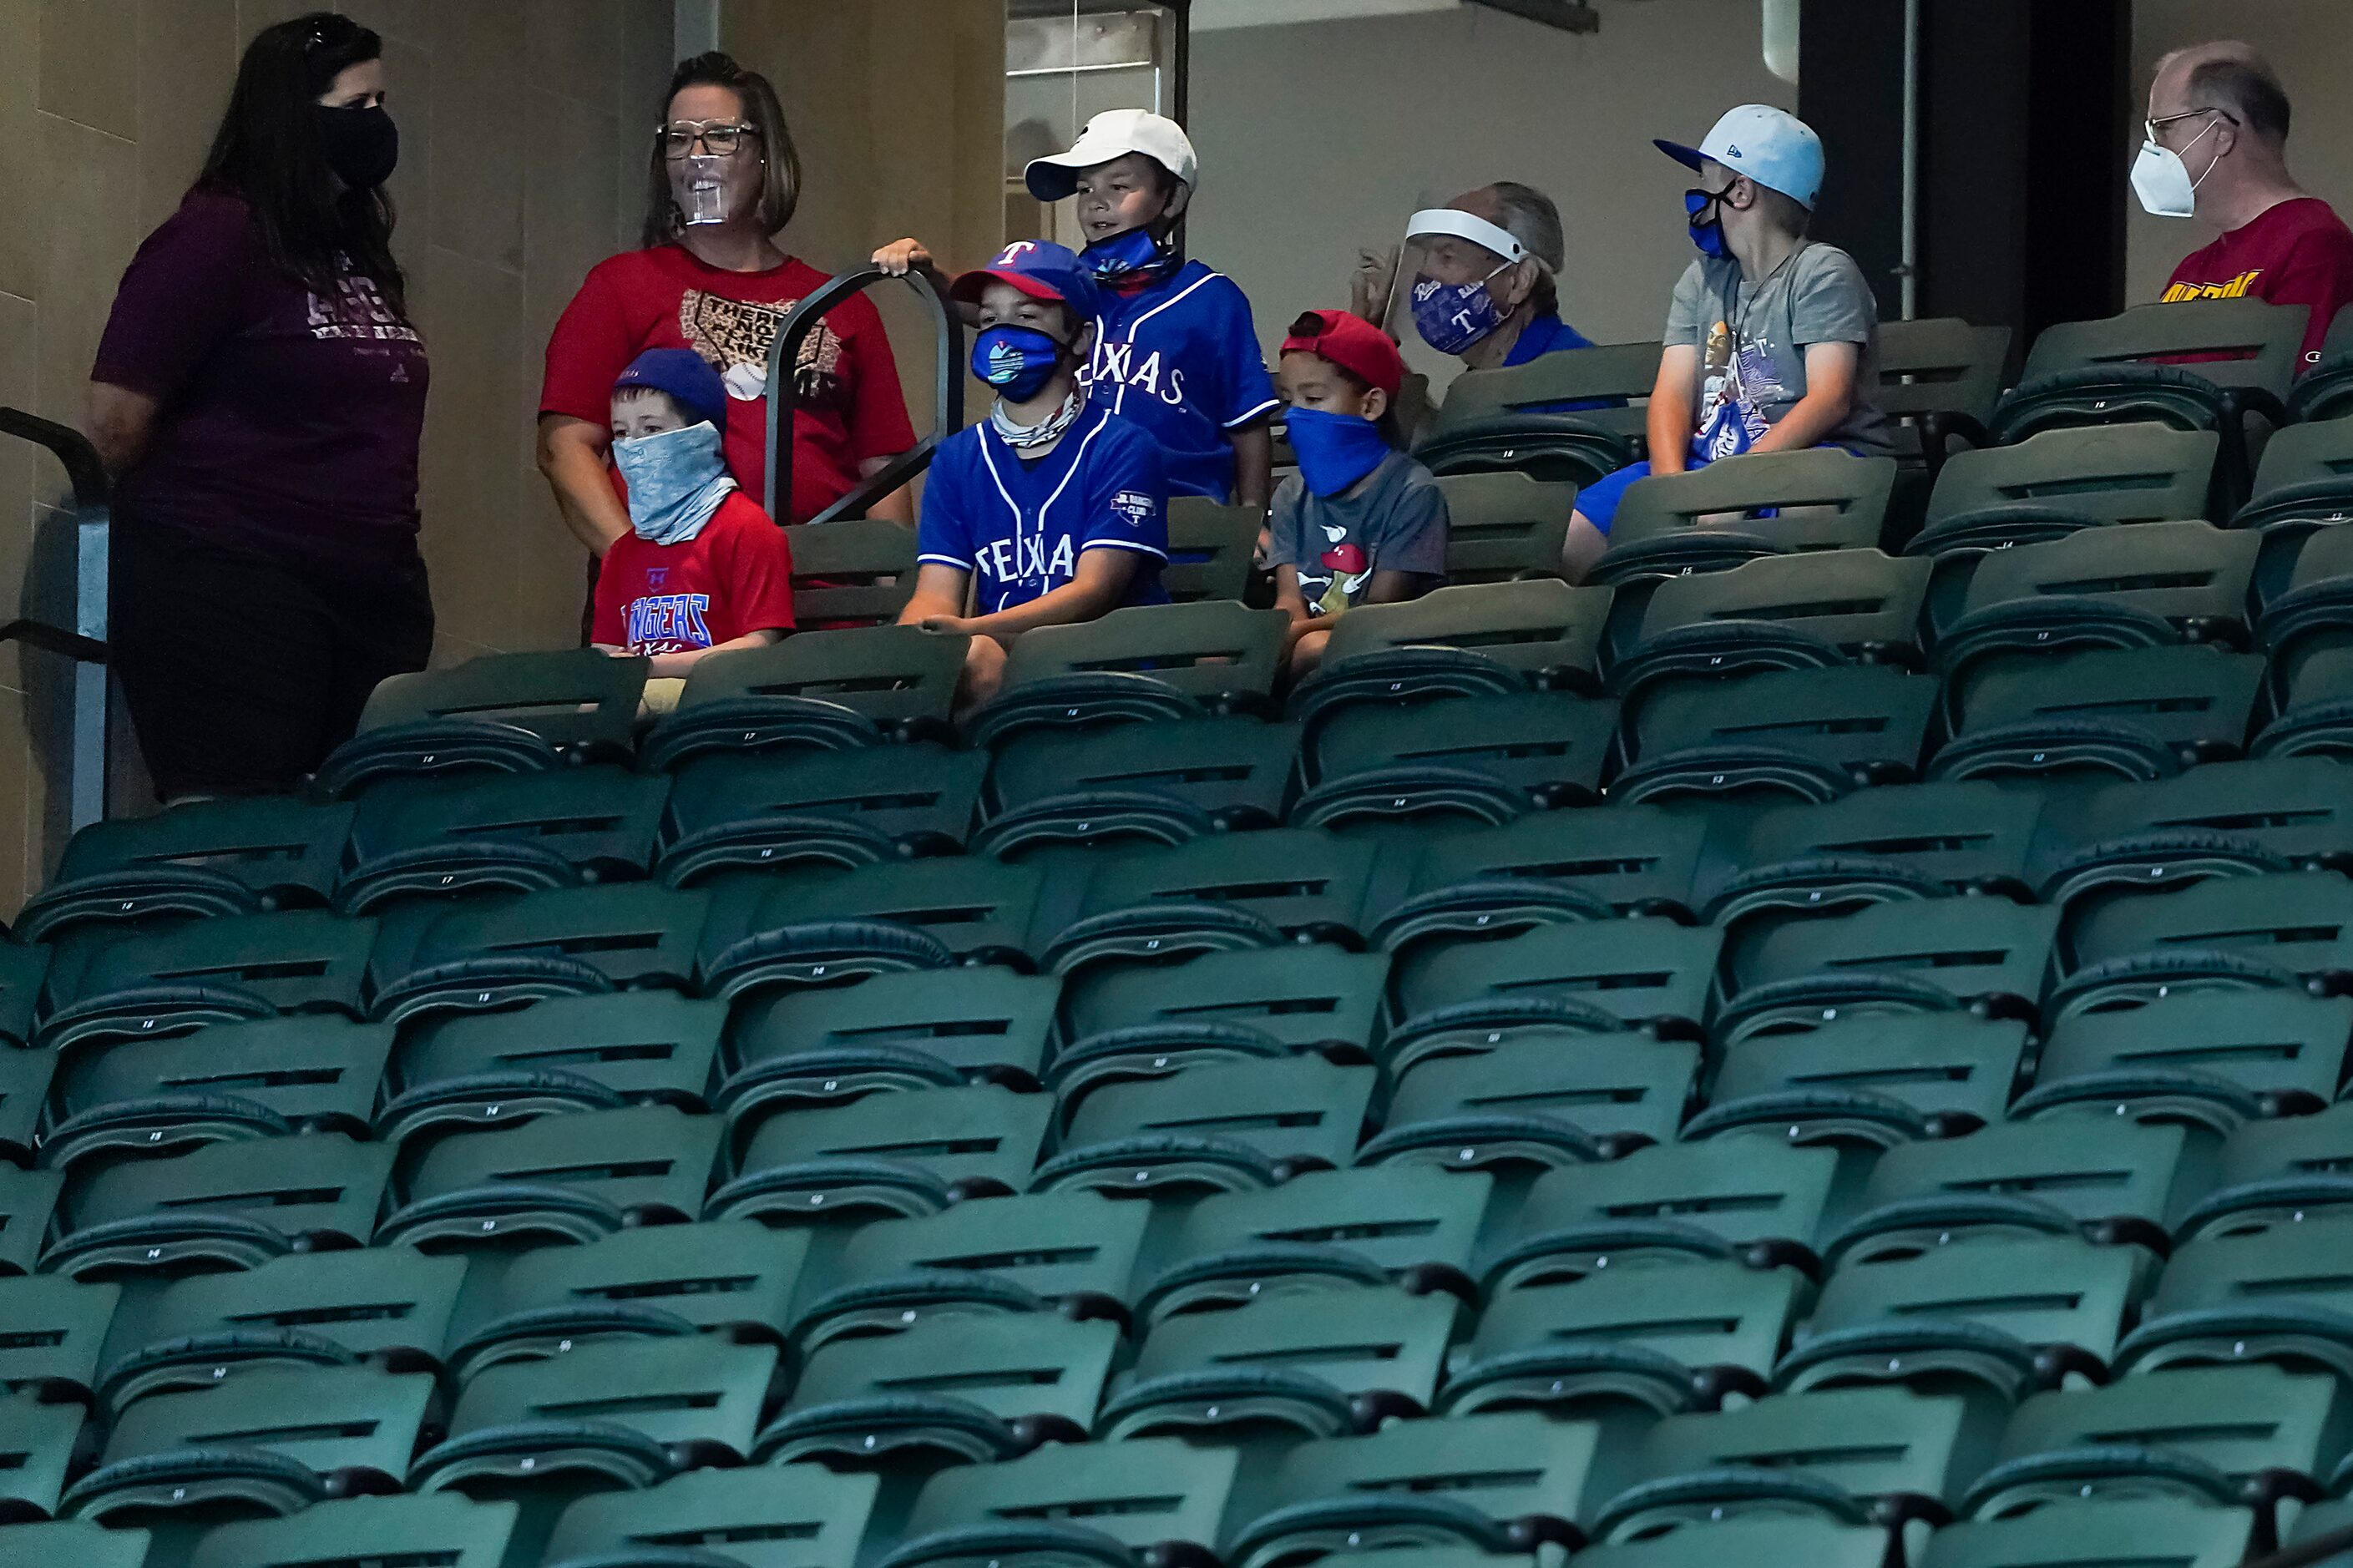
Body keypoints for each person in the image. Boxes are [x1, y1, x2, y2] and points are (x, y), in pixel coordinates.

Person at [87, 12, 428, 801]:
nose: (378, 128)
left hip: (368, 588)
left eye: (383, 106)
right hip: (235, 578)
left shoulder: (352, 249)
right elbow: (115, 417)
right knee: (235, 830)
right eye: (358, 109)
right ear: (296, 120)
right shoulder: (218, 233)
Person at [540, 51, 916, 567]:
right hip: (675, 602)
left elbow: (883, 476)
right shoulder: (621, 286)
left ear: (765, 155)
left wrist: (885, 608)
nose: (697, 156)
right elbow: (565, 449)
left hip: (821, 598)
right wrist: (640, 571)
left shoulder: (843, 305)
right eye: (678, 139)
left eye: (720, 135)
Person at [877, 110, 1276, 509]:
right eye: (1085, 190)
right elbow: (992, 307)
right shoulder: (1062, 282)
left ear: (1172, 198)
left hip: (1183, 516)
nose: (1096, 203)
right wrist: (927, 273)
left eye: (1118, 186)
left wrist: (1254, 517)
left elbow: (1247, 422)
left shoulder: (1212, 298)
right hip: (1070, 510)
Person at [1562, 105, 1891, 582]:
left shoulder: (1822, 271)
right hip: (1707, 462)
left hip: (1816, 460)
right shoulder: (1702, 280)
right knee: (1573, 538)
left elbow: (1830, 399)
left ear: (1739, 191)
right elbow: (1672, 394)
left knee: (1795, 516)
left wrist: (1733, 488)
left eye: (1706, 180)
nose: (1696, 197)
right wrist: (1674, 493)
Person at [898, 241, 1168, 710]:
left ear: (1080, 339)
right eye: (989, 320)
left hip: (1114, 673)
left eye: (1026, 318)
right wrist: (907, 649)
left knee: (975, 653)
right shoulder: (958, 458)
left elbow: (1094, 590)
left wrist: (971, 631)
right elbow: (935, 594)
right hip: (1000, 668)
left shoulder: (1123, 445)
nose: (1003, 336)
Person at [2137, 42, 2353, 370]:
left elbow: (2292, 402)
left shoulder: (2315, 246)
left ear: (2221, 134)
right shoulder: (2191, 269)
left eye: (2163, 127)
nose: (2152, 147)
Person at [590, 349, 795, 686]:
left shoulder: (746, 528)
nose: (634, 447)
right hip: (635, 707)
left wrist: (651, 668)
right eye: (622, 433)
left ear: (700, 435)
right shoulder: (623, 553)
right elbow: (605, 656)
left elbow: (760, 645)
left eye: (652, 428)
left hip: (718, 706)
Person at [1268, 311, 1449, 680]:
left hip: (1388, 646)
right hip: (1306, 638)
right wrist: (1274, 634)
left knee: (1310, 651)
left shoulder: (1413, 491)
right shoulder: (1290, 493)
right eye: (1289, 401)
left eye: (1314, 399)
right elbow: (1289, 599)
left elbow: (1384, 606)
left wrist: (1294, 637)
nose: (1296, 417)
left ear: (1370, 405)